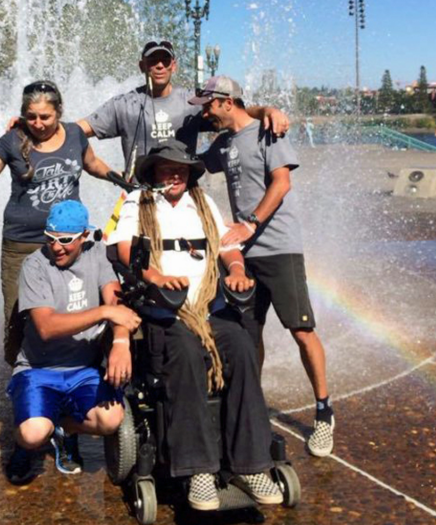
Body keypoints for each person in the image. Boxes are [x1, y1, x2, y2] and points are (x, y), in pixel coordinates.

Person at [107, 139, 282, 510]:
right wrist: (154, 276)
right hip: (164, 311)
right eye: (167, 168)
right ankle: (198, 470)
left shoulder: (203, 203)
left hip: (206, 308)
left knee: (241, 347)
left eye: (181, 169)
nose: (174, 174)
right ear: (154, 171)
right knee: (184, 354)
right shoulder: (138, 202)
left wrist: (236, 268)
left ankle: (250, 465)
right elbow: (124, 249)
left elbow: (225, 246)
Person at [190, 76, 335, 458]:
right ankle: (249, 407)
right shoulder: (223, 143)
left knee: (301, 330)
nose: (205, 114)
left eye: (208, 106)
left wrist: (251, 222)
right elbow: (190, 169)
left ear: (225, 102)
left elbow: (281, 183)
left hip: (279, 248)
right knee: (247, 336)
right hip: (242, 255)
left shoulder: (268, 132)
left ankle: (324, 412)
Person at [0, 80, 115, 366]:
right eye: (31, 117)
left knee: (75, 309)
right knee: (18, 322)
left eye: (46, 117)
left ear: (59, 112)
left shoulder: (76, 135)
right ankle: (22, 380)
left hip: (71, 244)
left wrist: (119, 178)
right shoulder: (11, 141)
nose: (38, 123)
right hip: (22, 245)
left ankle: (77, 374)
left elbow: (93, 164)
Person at [5, 200, 141, 484]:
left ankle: (64, 430)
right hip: (38, 369)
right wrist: (104, 312)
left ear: (83, 237)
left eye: (66, 240)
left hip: (84, 368)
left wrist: (120, 343)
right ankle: (26, 441)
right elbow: (46, 327)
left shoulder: (98, 255)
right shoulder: (35, 265)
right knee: (32, 434)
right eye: (50, 239)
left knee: (111, 419)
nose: (56, 247)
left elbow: (117, 302)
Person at [77, 40, 290, 172]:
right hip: (140, 195)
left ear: (174, 66)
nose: (160, 65)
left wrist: (267, 111)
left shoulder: (192, 101)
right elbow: (76, 132)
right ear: (142, 66)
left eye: (165, 60)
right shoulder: (122, 105)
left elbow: (233, 111)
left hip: (184, 193)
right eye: (153, 61)